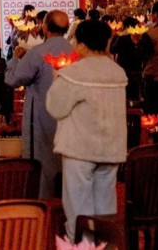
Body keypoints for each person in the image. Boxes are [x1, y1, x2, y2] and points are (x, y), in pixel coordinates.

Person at [46, 20, 127, 241]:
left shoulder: (74, 73)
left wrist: (57, 76)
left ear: (81, 44)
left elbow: (55, 107)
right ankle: (104, 244)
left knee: (78, 209)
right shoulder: (117, 71)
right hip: (111, 147)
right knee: (105, 209)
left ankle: (81, 245)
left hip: (79, 149)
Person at [6, 10, 72, 198]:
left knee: (42, 169)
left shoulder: (37, 53)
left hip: (42, 119)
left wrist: (15, 59)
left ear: (45, 27)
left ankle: (43, 208)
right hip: (69, 118)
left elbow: (13, 80)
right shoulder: (76, 52)